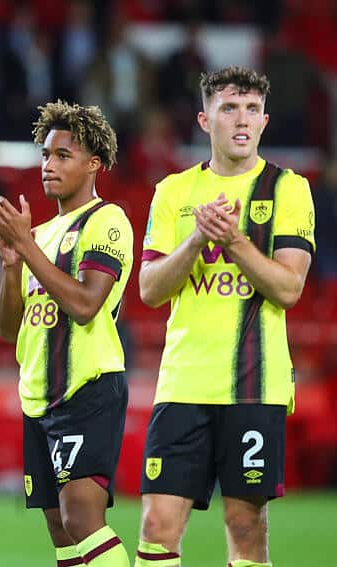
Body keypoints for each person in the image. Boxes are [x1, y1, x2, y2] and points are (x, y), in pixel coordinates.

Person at [137, 66, 315, 567]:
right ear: (204, 119)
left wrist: (233, 241)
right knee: (156, 525)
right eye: (229, 108)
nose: (242, 119)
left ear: (264, 121)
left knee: (244, 526)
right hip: (182, 384)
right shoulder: (173, 192)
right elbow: (150, 289)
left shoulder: (288, 189)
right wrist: (197, 238)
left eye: (252, 109)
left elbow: (288, 287)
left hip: (254, 385)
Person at [0, 100, 132, 567]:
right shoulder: (41, 234)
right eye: (46, 155)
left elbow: (87, 305)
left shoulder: (107, 221)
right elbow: (10, 328)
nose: (49, 165)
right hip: (38, 396)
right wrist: (12, 267)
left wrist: (26, 246)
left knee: (81, 518)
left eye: (63, 155)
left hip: (86, 387)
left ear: (94, 164)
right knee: (59, 529)